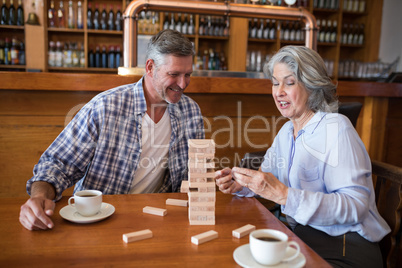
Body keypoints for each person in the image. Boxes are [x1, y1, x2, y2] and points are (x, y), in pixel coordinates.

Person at [215, 46, 390, 267]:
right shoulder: (286, 133)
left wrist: (285, 196)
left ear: (312, 85)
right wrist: (240, 184)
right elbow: (266, 179)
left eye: (289, 83)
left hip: (346, 243)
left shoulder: (337, 128)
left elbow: (356, 207)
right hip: (304, 237)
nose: (279, 92)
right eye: (275, 82)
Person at [20, 29, 204, 231]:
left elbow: (195, 174)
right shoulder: (105, 107)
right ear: (150, 67)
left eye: (188, 75)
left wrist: (218, 179)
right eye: (174, 74)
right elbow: (57, 164)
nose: (183, 83)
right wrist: (38, 197)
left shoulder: (190, 111)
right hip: (98, 220)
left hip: (158, 219)